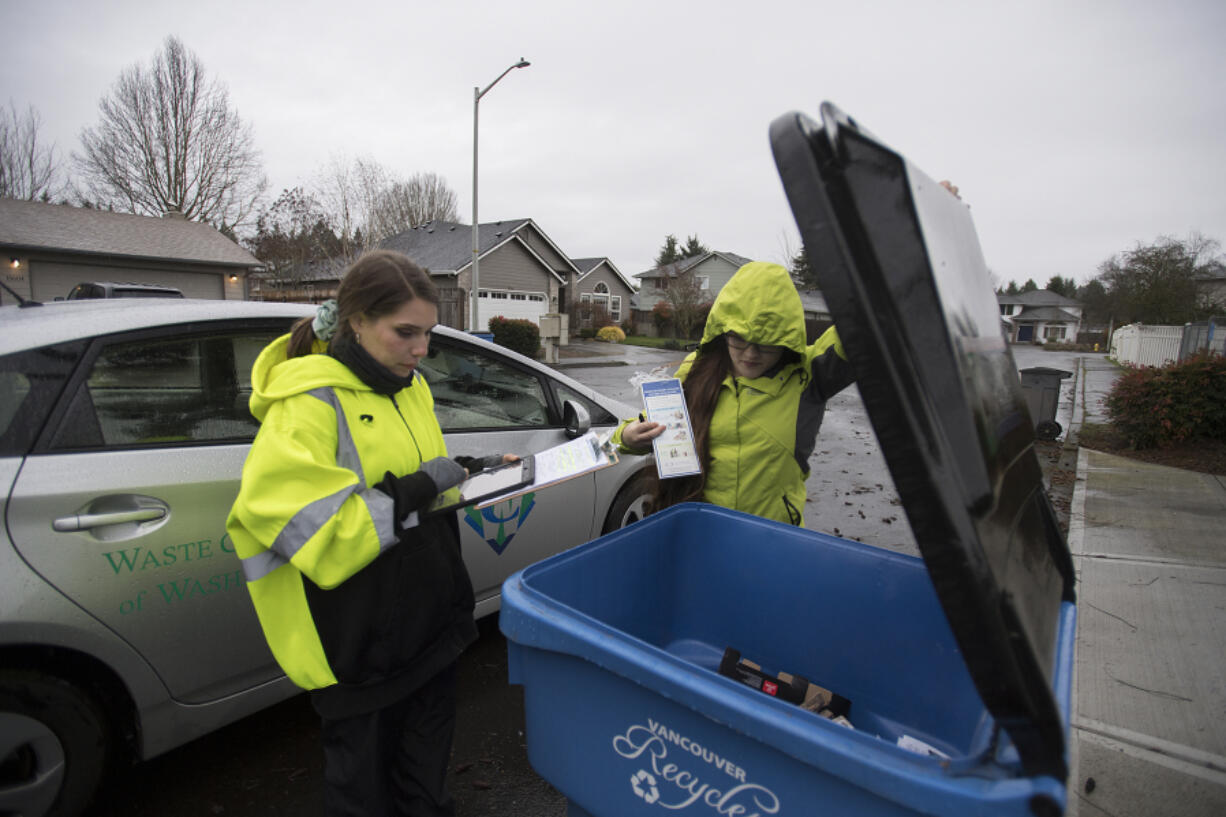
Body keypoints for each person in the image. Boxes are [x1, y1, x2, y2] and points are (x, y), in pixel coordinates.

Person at [226, 250, 509, 816]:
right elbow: (318, 532)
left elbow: (417, 478)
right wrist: (420, 487)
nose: (421, 349)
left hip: (430, 629)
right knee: (365, 797)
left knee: (426, 788)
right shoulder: (306, 405)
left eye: (427, 333)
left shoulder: (410, 385)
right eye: (405, 333)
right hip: (359, 652)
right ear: (355, 321)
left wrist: (470, 468)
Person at [616, 260, 855, 526]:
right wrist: (627, 436)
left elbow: (865, 326)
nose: (751, 354)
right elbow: (646, 425)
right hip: (703, 534)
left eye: (766, 343)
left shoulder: (809, 376)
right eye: (739, 338)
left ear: (786, 339)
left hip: (771, 542)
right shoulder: (696, 369)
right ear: (723, 331)